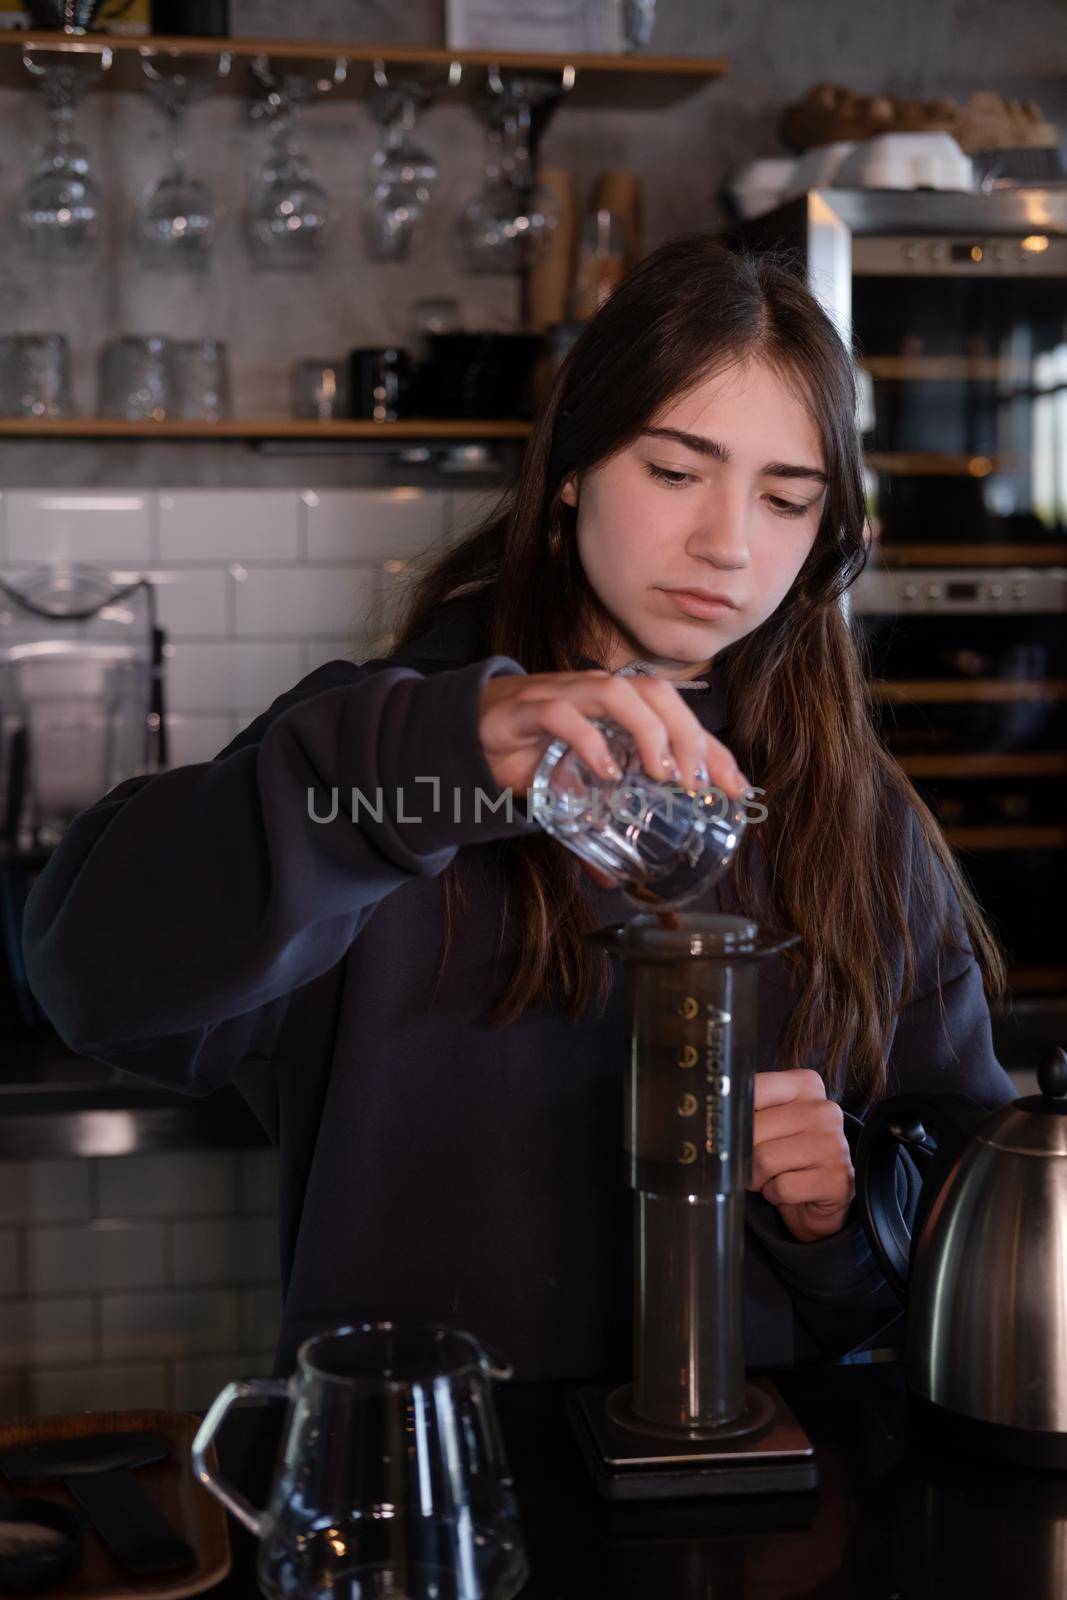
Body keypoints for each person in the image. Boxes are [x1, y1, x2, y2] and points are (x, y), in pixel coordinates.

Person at [22, 236, 1014, 1382]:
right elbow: (87, 978)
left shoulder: (855, 817)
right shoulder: (388, 756)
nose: (728, 544)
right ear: (571, 468)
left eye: (785, 498)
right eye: (675, 472)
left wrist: (835, 1226)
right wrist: (432, 768)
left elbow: (960, 1261)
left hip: (763, 1532)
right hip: (430, 1506)